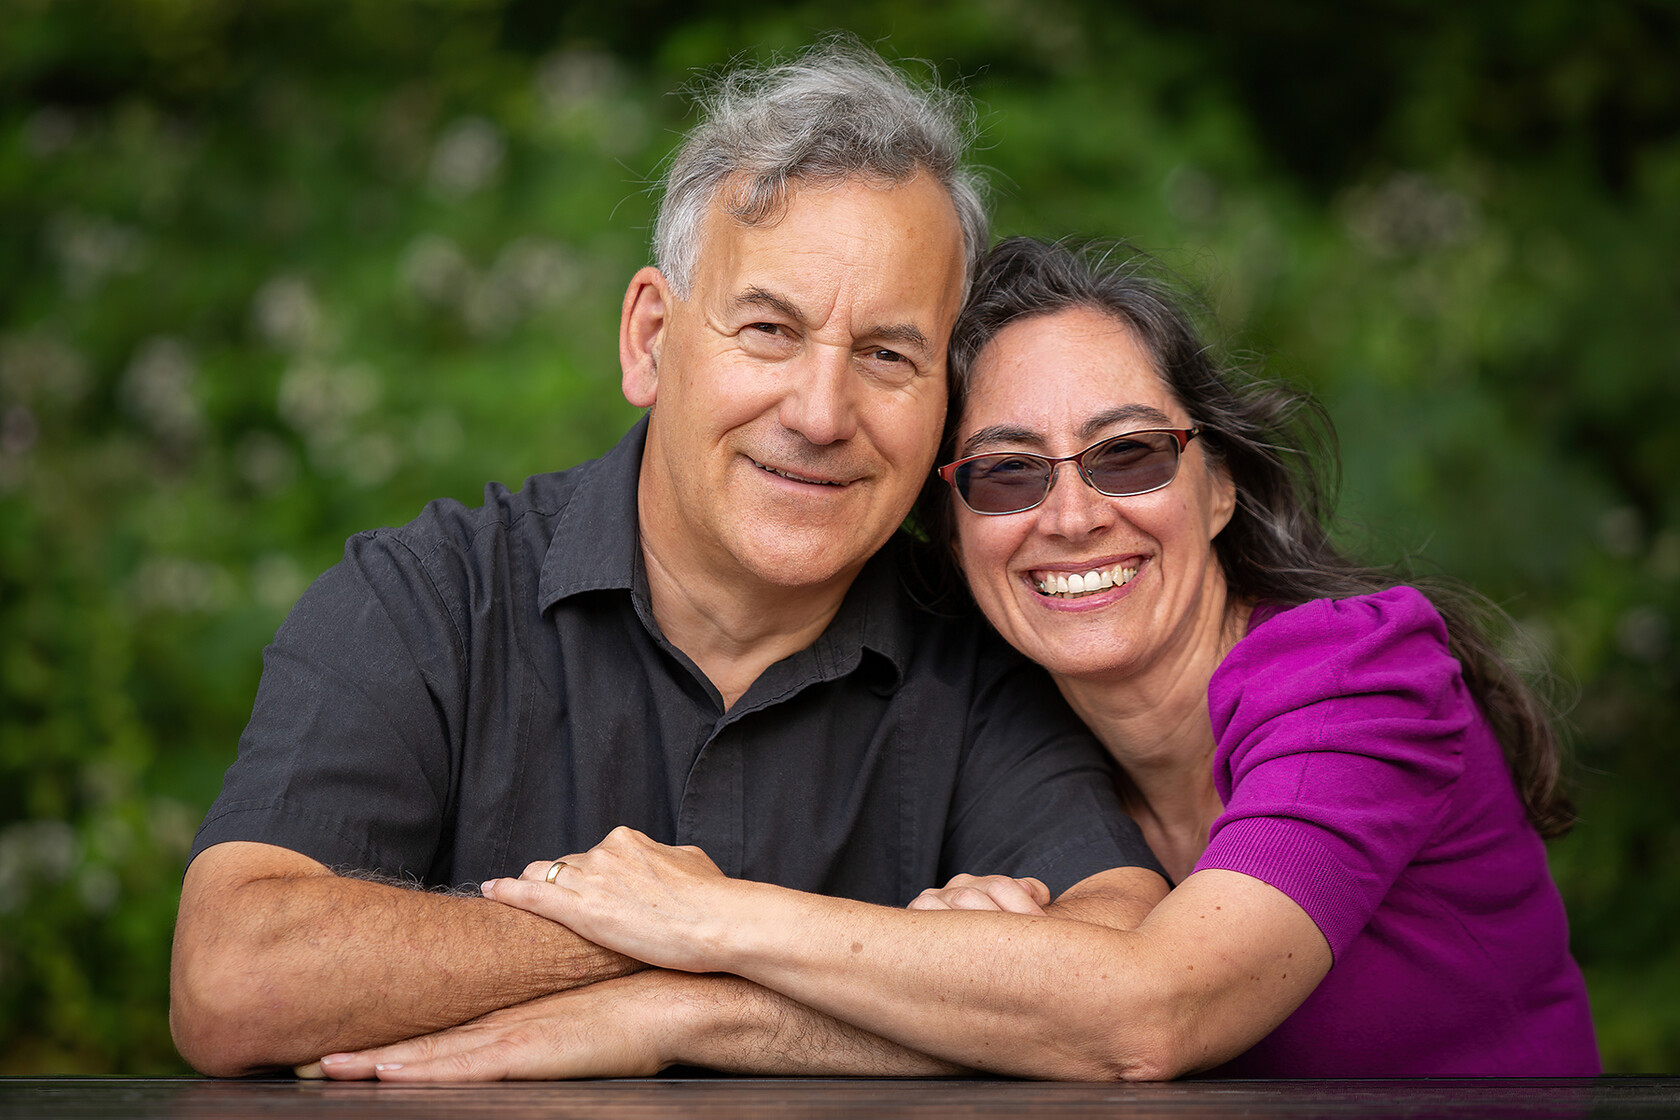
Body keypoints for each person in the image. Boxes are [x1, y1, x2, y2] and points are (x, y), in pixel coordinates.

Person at [168, 50, 1166, 1079]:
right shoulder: (428, 602)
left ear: (942, 403)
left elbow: (1128, 989)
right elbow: (236, 978)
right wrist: (638, 935)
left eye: (887, 355)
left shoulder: (984, 648)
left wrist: (703, 961)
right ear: (651, 339)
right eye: (769, 330)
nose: (821, 414)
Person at [419, 236, 1598, 1080]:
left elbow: (1144, 1015)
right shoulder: (1028, 735)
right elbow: (1030, 1014)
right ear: (956, 523)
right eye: (1008, 472)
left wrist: (699, 948)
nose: (1072, 515)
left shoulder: (1357, 676)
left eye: (1127, 454)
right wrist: (984, 957)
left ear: (1222, 482)